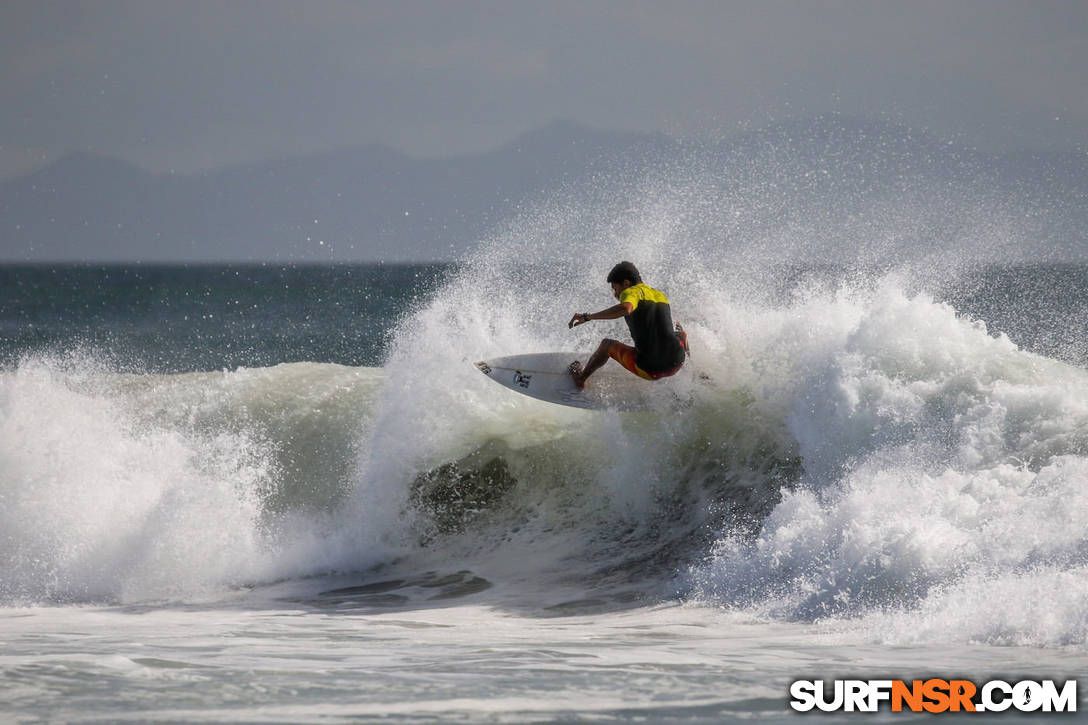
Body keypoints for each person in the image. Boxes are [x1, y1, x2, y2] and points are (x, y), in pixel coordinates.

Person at [568, 261, 688, 389]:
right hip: (677, 362)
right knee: (681, 333)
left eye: (615, 289)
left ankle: (580, 380)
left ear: (626, 283)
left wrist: (588, 317)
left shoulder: (630, 292)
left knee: (606, 345)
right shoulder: (659, 295)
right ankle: (690, 372)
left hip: (650, 370)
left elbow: (626, 308)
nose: (616, 294)